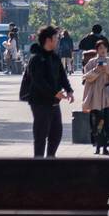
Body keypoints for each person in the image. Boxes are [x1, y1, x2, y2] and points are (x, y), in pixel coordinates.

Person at [24, 25, 74, 158]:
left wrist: (69, 90)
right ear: (48, 40)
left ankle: (50, 158)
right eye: (56, 38)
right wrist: (54, 92)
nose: (58, 40)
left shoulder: (55, 57)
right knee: (41, 135)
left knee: (56, 133)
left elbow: (62, 75)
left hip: (54, 101)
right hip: (39, 101)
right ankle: (39, 163)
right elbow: (38, 81)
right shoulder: (36, 59)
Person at [82, 37, 109, 155]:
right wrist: (97, 70)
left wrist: (107, 72)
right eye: (100, 48)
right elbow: (86, 77)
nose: (102, 50)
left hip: (108, 100)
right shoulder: (91, 63)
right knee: (97, 124)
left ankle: (105, 146)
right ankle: (97, 146)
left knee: (107, 123)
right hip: (95, 99)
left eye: (104, 47)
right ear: (97, 50)